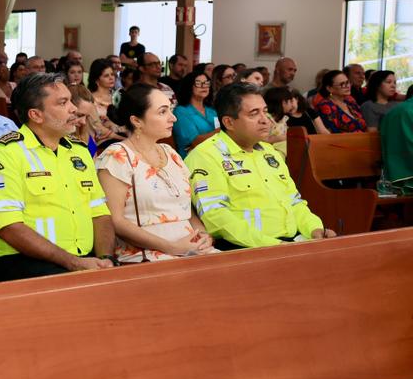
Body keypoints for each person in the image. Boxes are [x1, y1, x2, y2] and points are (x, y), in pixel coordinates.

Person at [0, 73, 115, 281]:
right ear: (36, 115)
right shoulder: (7, 154)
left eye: (70, 100)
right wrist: (74, 263)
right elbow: (9, 227)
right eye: (63, 103)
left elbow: (100, 213)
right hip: (26, 262)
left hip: (82, 260)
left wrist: (105, 258)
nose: (73, 108)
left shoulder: (79, 151)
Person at [186, 82, 334, 249]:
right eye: (254, 113)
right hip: (244, 248)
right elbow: (216, 217)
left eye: (265, 111)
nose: (265, 120)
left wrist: (315, 229)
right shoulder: (206, 156)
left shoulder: (269, 152)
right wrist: (273, 245)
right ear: (229, 122)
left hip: (290, 242)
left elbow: (294, 202)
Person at [96, 85, 215, 262]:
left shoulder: (170, 153)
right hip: (147, 256)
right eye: (162, 112)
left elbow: (186, 208)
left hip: (192, 249)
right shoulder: (116, 157)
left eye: (171, 110)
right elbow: (116, 220)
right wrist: (172, 247)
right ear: (137, 121)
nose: (173, 118)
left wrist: (203, 234)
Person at [172, 72, 218, 157]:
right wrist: (221, 131)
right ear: (189, 86)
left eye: (206, 83)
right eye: (198, 83)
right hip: (193, 157)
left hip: (215, 154)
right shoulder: (181, 111)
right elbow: (194, 141)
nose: (204, 86)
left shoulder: (212, 111)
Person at [87, 58, 124, 142]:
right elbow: (97, 127)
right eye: (106, 76)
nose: (111, 78)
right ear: (96, 79)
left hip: (123, 139)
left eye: (112, 74)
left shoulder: (119, 96)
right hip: (101, 142)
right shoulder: (90, 99)